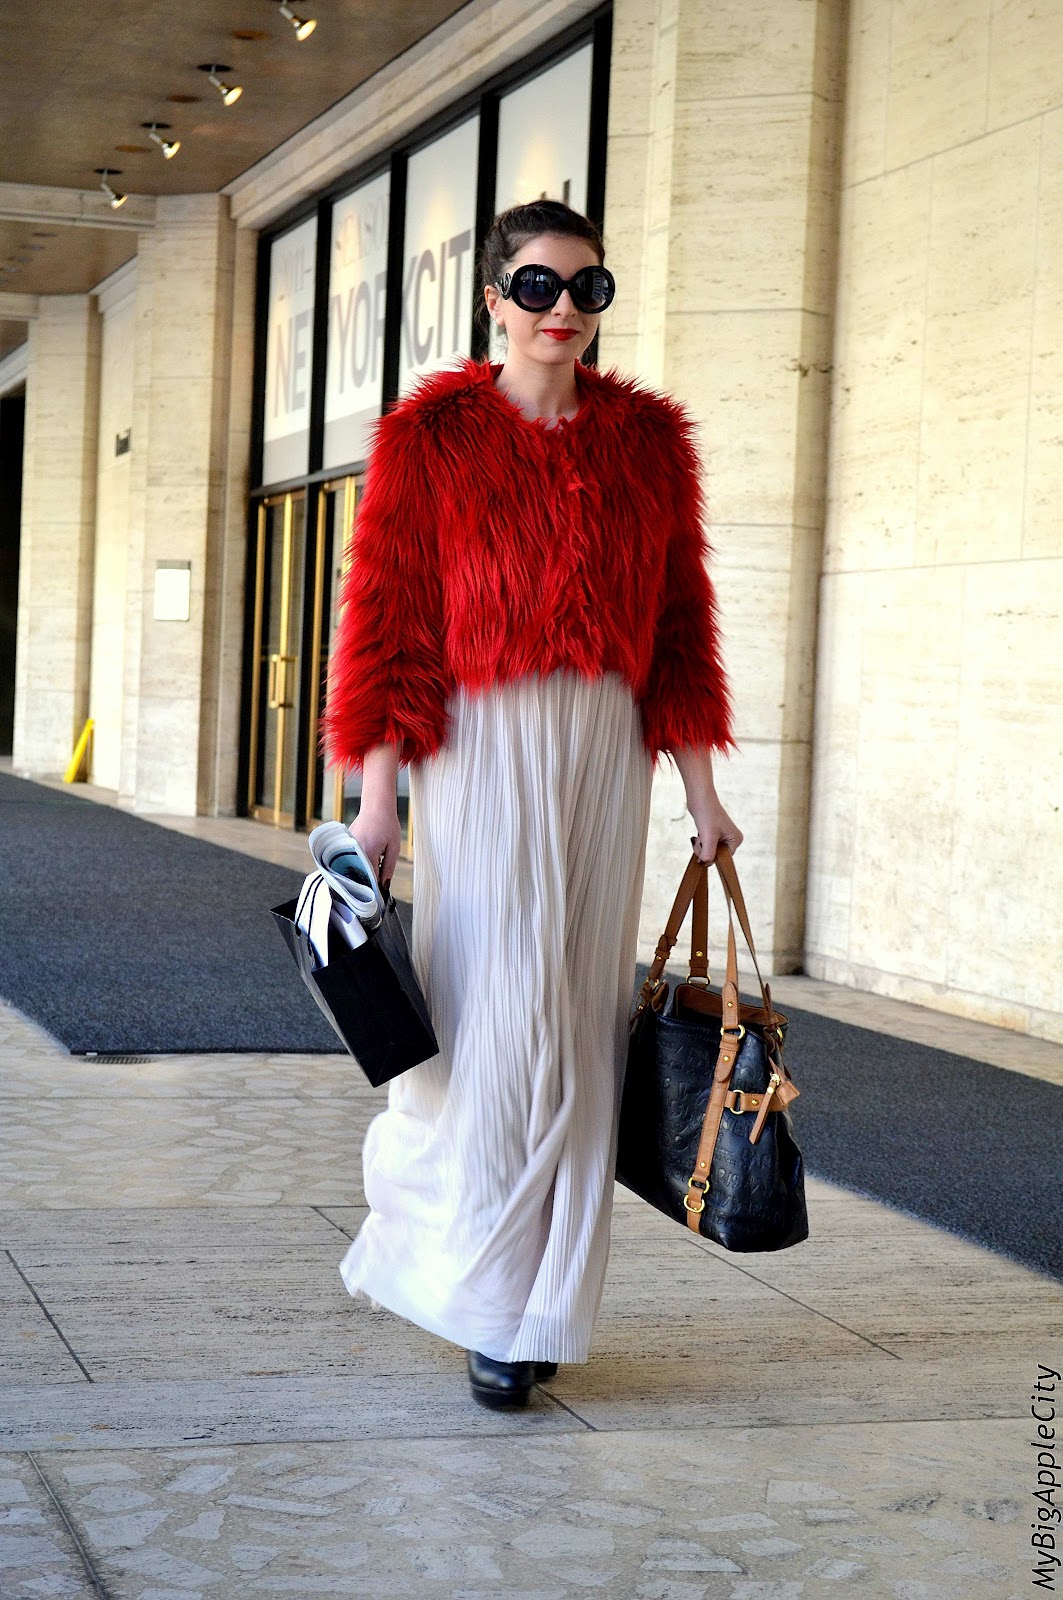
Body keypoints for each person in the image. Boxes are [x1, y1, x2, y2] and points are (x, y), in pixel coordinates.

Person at [320, 199, 742, 1410]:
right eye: (541, 287)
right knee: (497, 1022)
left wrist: (701, 795)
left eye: (588, 290)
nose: (565, 310)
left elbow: (677, 630)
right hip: (483, 747)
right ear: (495, 301)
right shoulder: (430, 439)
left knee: (575, 1019)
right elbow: (389, 627)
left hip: (605, 750)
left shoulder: (650, 445)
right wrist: (377, 799)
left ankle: (541, 1302)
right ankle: (485, 1289)